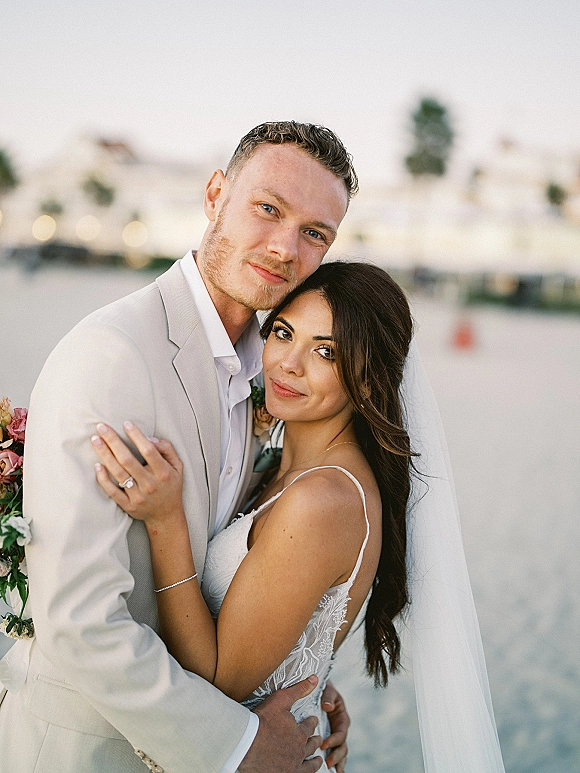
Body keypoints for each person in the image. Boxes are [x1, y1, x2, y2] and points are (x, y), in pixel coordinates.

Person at [0, 121, 358, 773]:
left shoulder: (269, 377)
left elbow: (220, 571)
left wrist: (299, 678)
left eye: (314, 233)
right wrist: (236, 743)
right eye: (269, 208)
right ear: (216, 193)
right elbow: (80, 621)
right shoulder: (115, 356)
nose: (284, 247)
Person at [91, 262, 414, 773]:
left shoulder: (323, 501)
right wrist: (310, 680)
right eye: (284, 333)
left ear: (370, 382)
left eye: (326, 351)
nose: (288, 363)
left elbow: (220, 682)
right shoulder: (285, 467)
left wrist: (165, 520)